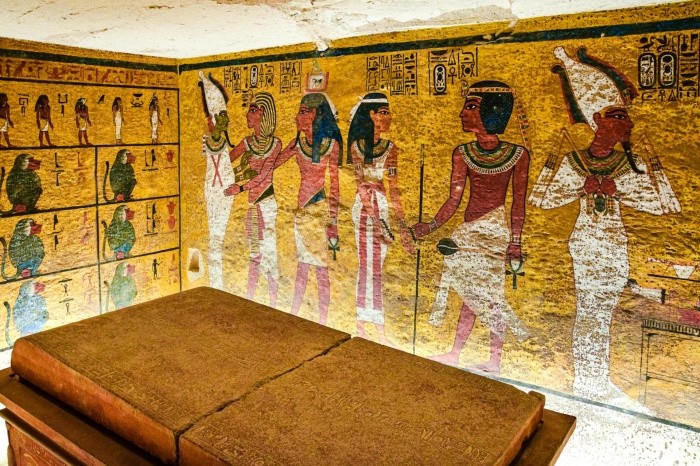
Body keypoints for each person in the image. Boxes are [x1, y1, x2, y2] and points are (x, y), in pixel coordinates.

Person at [530, 47, 680, 404]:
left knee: (604, 312)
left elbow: (662, 204)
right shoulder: (575, 160)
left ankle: (595, 378)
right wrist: (579, 187)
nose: (628, 124)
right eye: (618, 116)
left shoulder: (630, 162)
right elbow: (543, 199)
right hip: (585, 245)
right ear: (598, 120)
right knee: (590, 312)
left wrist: (621, 190)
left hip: (614, 246)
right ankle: (589, 380)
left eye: (626, 117)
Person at [412, 81, 530, 374]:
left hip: (495, 232)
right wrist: (432, 225)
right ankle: (456, 353)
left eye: (471, 106)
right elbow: (454, 199)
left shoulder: (518, 155)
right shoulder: (462, 152)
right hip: (467, 234)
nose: (462, 113)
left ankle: (494, 361)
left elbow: (518, 202)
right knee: (469, 296)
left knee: (492, 298)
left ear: (492, 110)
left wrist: (515, 242)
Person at [347, 93, 415, 345]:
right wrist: (375, 220)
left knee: (377, 265)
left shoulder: (391, 148)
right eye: (384, 112)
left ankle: (373, 320)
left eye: (388, 112)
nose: (389, 117)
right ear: (371, 115)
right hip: (365, 209)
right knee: (367, 264)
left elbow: (394, 189)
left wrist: (402, 226)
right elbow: (360, 184)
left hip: (381, 205)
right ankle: (364, 321)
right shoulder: (356, 147)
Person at [276, 92, 342, 325]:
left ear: (315, 115)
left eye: (303, 112)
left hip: (319, 209)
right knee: (302, 267)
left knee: (321, 270)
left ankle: (324, 321)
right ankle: (294, 314)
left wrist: (333, 222)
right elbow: (274, 163)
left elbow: (335, 185)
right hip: (301, 212)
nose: (297, 117)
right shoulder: (298, 145)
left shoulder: (330, 146)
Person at [224, 92, 282, 307]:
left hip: (265, 202)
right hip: (252, 205)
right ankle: (250, 299)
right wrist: (217, 139)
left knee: (269, 255)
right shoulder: (247, 142)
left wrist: (240, 187)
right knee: (254, 254)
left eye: (253, 110)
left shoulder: (275, 144)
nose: (248, 115)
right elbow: (225, 161)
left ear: (264, 114)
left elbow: (265, 175)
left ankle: (274, 303)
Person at [198, 72, 235, 290]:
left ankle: (218, 283)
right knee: (215, 236)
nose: (225, 120)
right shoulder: (207, 140)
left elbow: (228, 160)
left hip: (224, 187)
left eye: (224, 115)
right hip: (213, 188)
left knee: (220, 236)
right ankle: (215, 283)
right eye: (221, 116)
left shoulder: (223, 141)